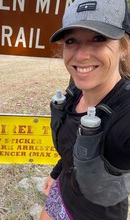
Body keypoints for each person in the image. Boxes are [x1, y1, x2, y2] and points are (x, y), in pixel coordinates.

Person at [40, 0, 130, 219]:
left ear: (124, 48)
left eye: (99, 39)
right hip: (61, 193)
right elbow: (72, 147)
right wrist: (56, 174)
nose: (80, 56)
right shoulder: (76, 90)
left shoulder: (124, 116)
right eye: (72, 41)